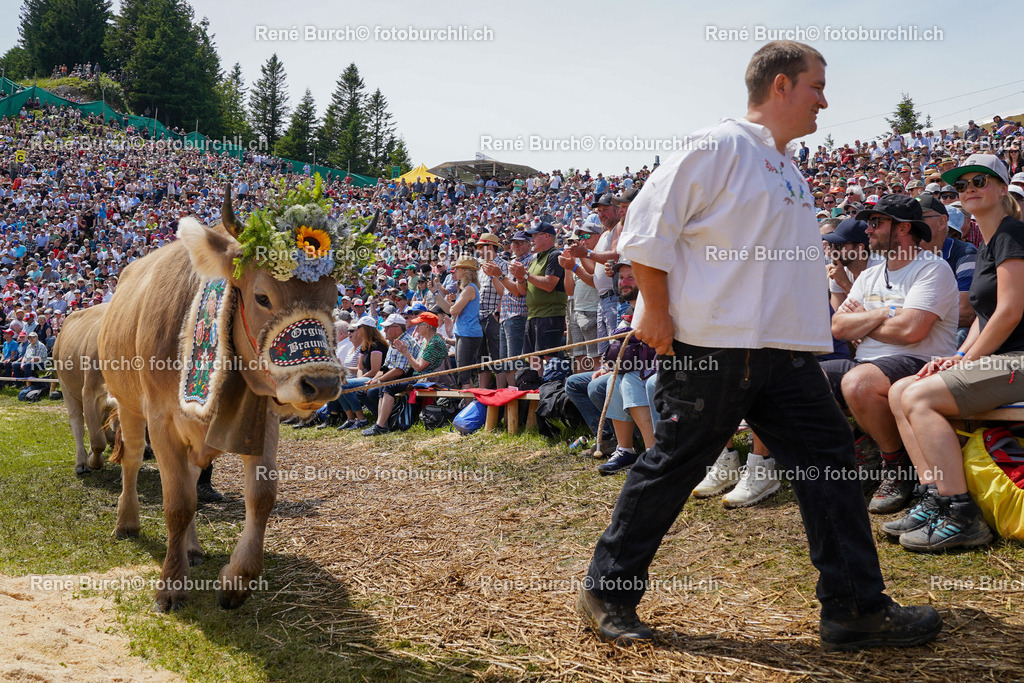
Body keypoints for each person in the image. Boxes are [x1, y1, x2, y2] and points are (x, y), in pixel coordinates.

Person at [576, 40, 941, 651]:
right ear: (780, 86)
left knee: (828, 466)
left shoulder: (788, 166)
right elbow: (646, 233)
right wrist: (658, 313)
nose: (825, 100)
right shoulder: (717, 145)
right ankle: (607, 591)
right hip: (712, 346)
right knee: (672, 466)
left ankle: (854, 608)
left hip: (785, 353)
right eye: (816, 86)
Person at [886, 154, 1024, 552]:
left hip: (1019, 361)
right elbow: (984, 315)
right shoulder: (989, 243)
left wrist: (968, 359)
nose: (969, 189)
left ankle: (962, 514)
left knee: (919, 397)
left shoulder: (1013, 234)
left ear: (1002, 187)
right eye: (961, 186)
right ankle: (935, 497)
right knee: (900, 391)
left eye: (980, 180)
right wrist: (959, 352)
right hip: (1003, 359)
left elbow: (1010, 312)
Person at [431, 255, 483, 390]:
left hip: (469, 334)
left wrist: (452, 305)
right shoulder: (467, 289)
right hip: (464, 333)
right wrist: (436, 292)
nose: (454, 271)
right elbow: (449, 309)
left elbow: (453, 311)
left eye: (457, 268)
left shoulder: (469, 289)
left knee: (464, 374)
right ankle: (468, 406)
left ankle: (469, 407)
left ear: (465, 270)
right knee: (463, 374)